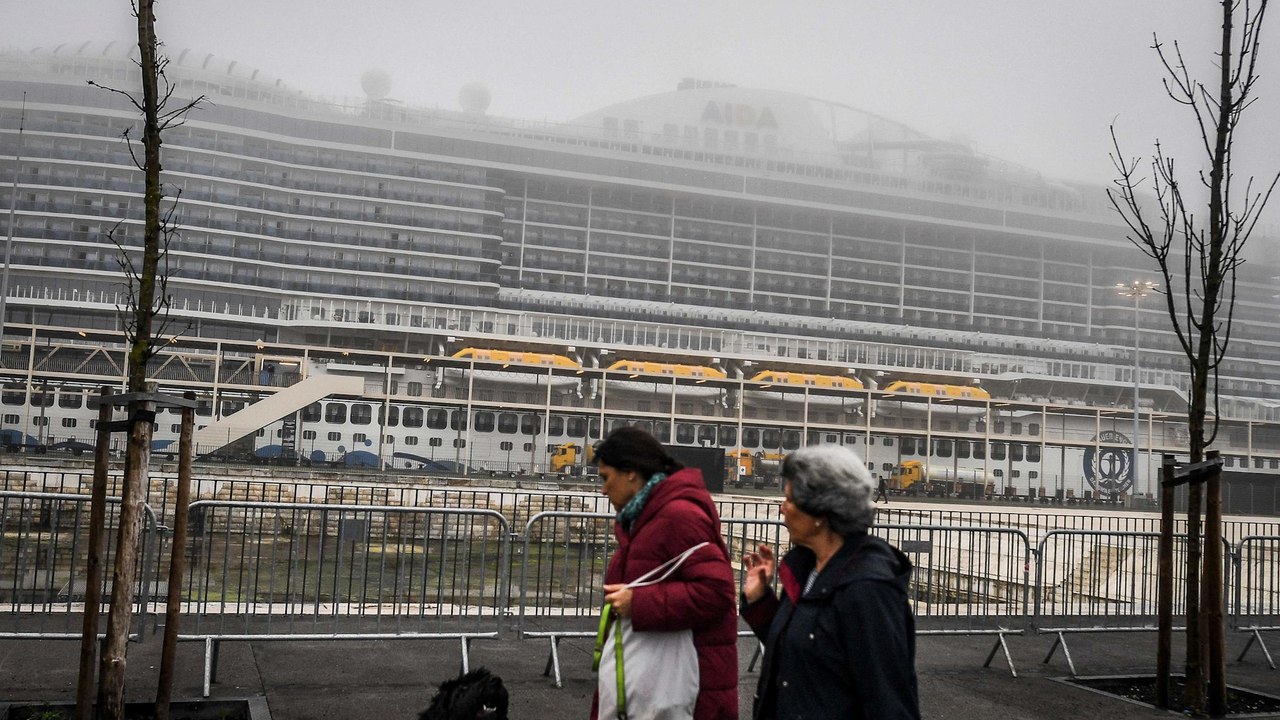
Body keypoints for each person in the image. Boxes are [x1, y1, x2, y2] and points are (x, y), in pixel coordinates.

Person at [741, 444, 920, 720]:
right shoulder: (808, 569)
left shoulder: (868, 590)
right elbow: (802, 650)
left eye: (789, 500)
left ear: (821, 512)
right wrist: (760, 601)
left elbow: (888, 700)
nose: (782, 509)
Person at [590, 426, 738, 720]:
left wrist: (638, 603)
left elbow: (717, 591)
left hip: (682, 688)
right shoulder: (645, 517)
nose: (603, 490)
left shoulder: (677, 516)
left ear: (630, 472)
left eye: (606, 478)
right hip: (655, 683)